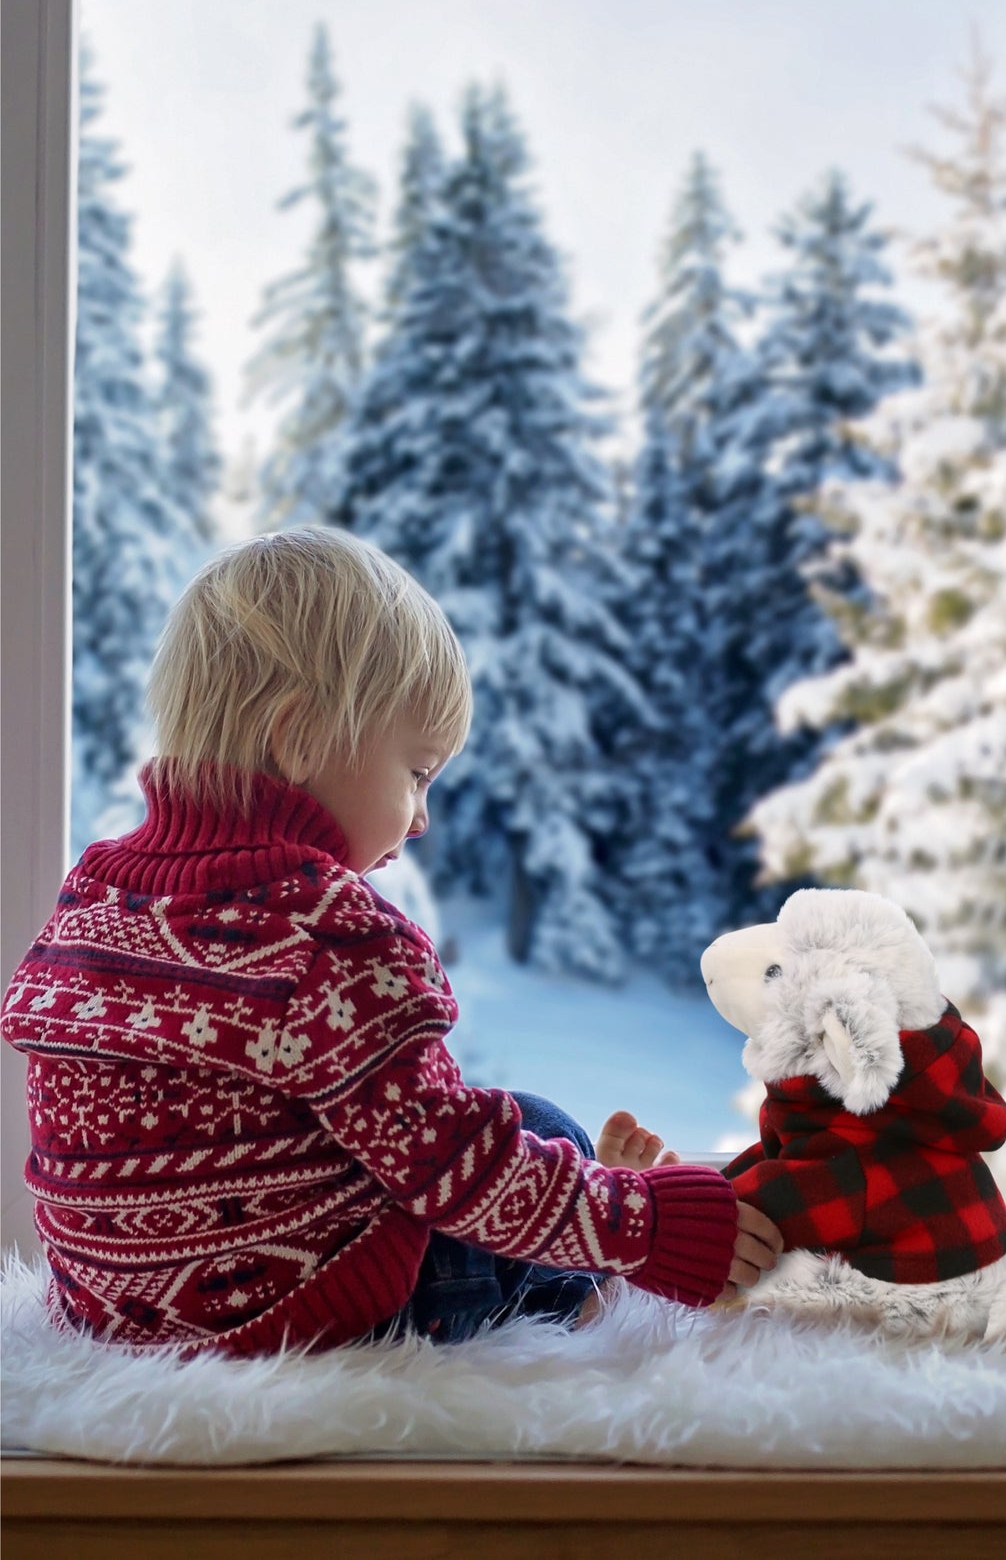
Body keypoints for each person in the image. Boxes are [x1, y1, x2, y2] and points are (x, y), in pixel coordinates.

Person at [1, 526, 781, 1355]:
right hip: (306, 1314)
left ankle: (586, 1224)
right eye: (415, 773)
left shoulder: (95, 892)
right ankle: (586, 1282)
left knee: (457, 1132)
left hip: (109, 1311)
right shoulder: (332, 934)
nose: (420, 818)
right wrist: (652, 1227)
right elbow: (453, 1167)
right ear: (297, 738)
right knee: (538, 1126)